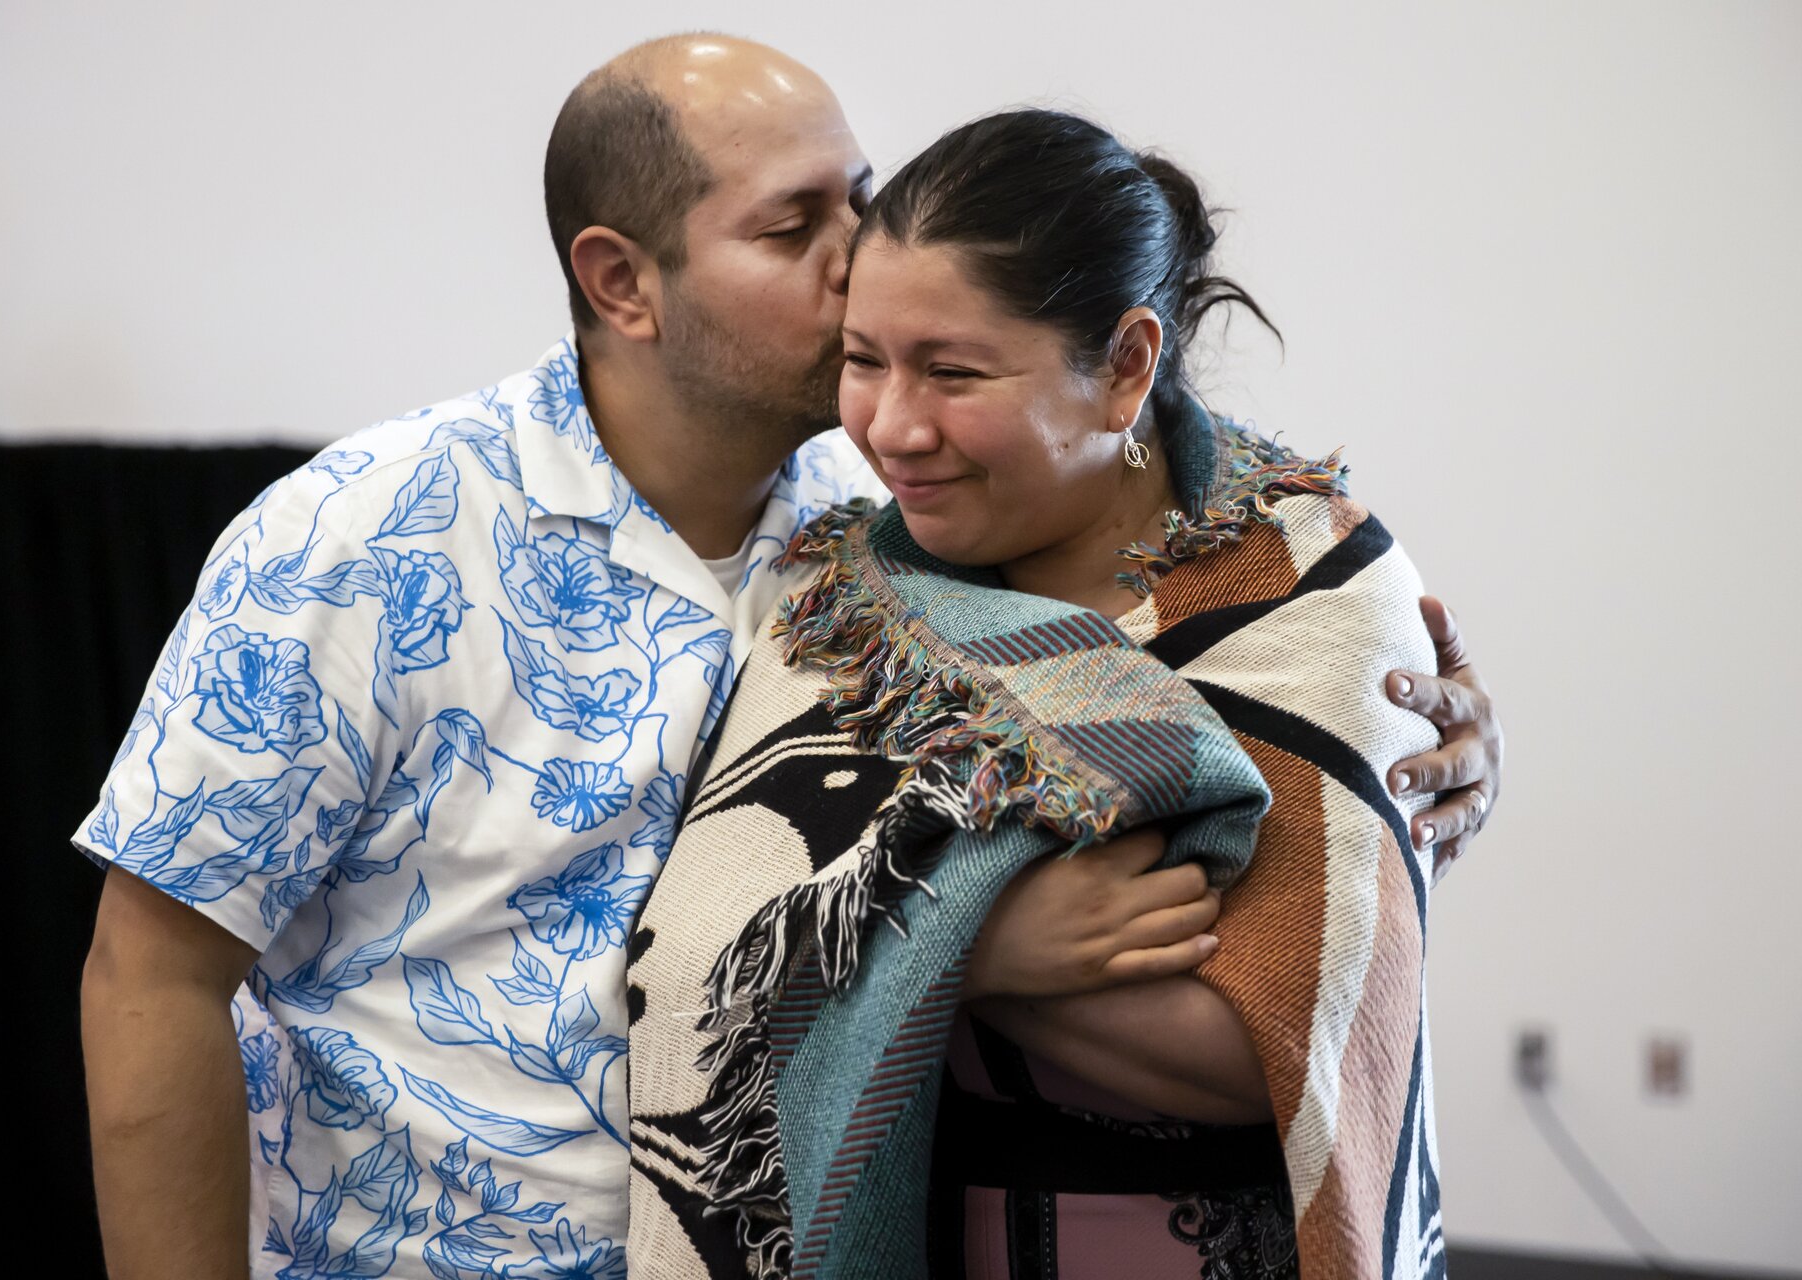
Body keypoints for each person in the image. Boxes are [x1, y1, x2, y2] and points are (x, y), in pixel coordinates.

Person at [75, 38, 1502, 1280]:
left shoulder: (882, 528)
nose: (856, 256)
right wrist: (955, 946)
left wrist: (1411, 752)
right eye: (795, 224)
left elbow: (1183, 677)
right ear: (622, 281)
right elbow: (153, 977)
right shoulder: (366, 535)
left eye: (863, 199)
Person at [626, 109, 1468, 1279]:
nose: (891, 426)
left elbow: (1277, 1044)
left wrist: (919, 943)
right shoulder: (855, 599)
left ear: (1127, 364)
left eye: (954, 372)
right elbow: (703, 944)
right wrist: (972, 938)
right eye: (863, 360)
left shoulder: (1309, 593)